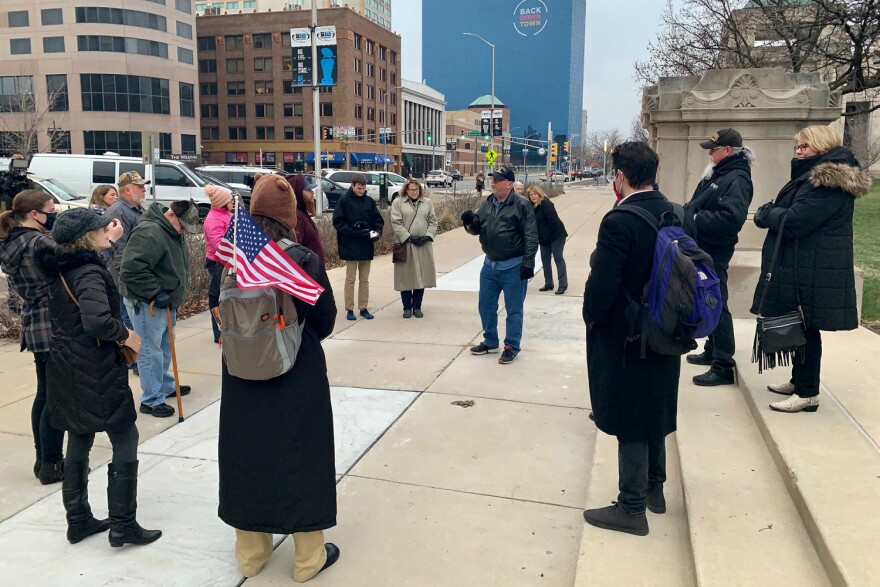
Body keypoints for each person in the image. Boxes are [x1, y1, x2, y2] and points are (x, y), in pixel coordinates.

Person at [218, 173, 340, 581]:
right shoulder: (301, 259)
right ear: (290, 216)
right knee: (302, 455)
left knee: (246, 455)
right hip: (295, 371)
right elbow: (324, 318)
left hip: (239, 373)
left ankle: (251, 554)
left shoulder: (234, 256)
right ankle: (308, 558)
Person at [36, 208, 161, 548]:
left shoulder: (62, 267)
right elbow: (97, 322)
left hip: (66, 365)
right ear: (86, 236)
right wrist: (125, 333)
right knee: (125, 437)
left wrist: (110, 241)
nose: (108, 230)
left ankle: (78, 520)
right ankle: (123, 524)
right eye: (102, 229)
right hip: (96, 368)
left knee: (79, 438)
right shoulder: (88, 272)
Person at [582, 142, 680, 537]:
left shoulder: (619, 220)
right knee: (654, 406)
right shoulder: (674, 210)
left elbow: (603, 285)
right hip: (665, 328)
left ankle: (632, 506)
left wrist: (592, 319)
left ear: (620, 177)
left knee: (631, 418)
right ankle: (655, 488)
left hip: (628, 335)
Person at [752, 126, 868, 414]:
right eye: (798, 147)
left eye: (805, 146)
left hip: (815, 265)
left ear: (821, 146)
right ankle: (798, 381)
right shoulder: (814, 177)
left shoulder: (828, 181)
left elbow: (795, 219)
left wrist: (767, 213)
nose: (799, 151)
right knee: (801, 324)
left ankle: (807, 393)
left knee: (806, 327)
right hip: (806, 262)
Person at [0, 190, 66, 484]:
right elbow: (69, 267)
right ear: (35, 214)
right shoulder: (40, 242)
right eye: (51, 209)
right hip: (52, 323)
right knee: (56, 398)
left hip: (35, 323)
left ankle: (43, 459)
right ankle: (51, 462)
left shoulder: (14, 243)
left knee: (44, 394)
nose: (54, 213)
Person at [684, 128, 754, 386]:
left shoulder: (736, 179)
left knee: (716, 302)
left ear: (728, 151)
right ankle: (713, 349)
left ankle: (723, 363)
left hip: (715, 250)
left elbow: (731, 219)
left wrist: (693, 218)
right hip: (704, 247)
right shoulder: (720, 173)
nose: (710, 154)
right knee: (708, 297)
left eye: (713, 150)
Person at [119, 200, 199, 418]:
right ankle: (152, 399)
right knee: (148, 350)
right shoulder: (150, 232)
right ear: (171, 215)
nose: (183, 231)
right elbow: (130, 269)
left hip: (165, 301)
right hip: (148, 303)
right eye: (182, 226)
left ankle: (163, 385)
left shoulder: (170, 231)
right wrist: (155, 292)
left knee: (164, 347)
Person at [460, 165, 538, 365]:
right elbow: (477, 230)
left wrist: (528, 264)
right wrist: (469, 223)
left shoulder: (522, 205)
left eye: (497, 179)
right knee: (485, 305)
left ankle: (511, 345)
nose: (492, 182)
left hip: (513, 266)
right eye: (492, 179)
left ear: (509, 184)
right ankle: (490, 341)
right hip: (490, 266)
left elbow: (531, 236)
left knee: (513, 309)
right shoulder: (487, 203)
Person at [105, 172, 150, 374]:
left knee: (136, 322)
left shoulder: (135, 209)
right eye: (139, 186)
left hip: (135, 277)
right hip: (127, 280)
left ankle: (142, 362)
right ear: (126, 190)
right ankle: (138, 362)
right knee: (131, 323)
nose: (143, 189)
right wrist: (128, 281)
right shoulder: (118, 212)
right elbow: (117, 251)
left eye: (143, 186)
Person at [332, 173, 383, 321]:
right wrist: (354, 232)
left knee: (364, 279)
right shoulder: (344, 201)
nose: (361, 191)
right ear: (352, 186)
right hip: (350, 244)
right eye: (359, 188)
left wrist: (376, 232)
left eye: (363, 188)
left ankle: (363, 307)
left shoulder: (369, 201)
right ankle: (349, 308)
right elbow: (338, 222)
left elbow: (378, 220)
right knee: (350, 279)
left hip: (366, 244)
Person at [390, 179, 437, 318]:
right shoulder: (398, 203)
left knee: (420, 276)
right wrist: (408, 237)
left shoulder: (427, 202)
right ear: (406, 190)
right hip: (406, 245)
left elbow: (433, 221)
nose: (414, 192)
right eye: (411, 189)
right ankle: (407, 307)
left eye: (416, 189)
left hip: (423, 245)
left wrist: (428, 236)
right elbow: (396, 223)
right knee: (405, 277)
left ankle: (417, 306)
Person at [203, 185, 234, 345]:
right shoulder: (213, 220)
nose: (232, 202)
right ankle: (219, 333)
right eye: (230, 199)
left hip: (226, 262)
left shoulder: (226, 215)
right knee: (218, 298)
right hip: (218, 263)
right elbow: (219, 246)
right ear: (223, 202)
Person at [528, 185, 569, 295]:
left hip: (556, 235)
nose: (533, 196)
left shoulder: (546, 203)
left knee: (558, 258)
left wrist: (546, 237)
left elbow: (553, 221)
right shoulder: (532, 207)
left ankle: (563, 285)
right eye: (531, 195)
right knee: (545, 260)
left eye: (535, 194)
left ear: (539, 193)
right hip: (544, 238)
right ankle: (549, 283)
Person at [290, 174, 327, 264]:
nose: (312, 192)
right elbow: (296, 250)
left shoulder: (302, 213)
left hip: (314, 269)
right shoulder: (296, 216)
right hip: (307, 271)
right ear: (297, 192)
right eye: (308, 190)